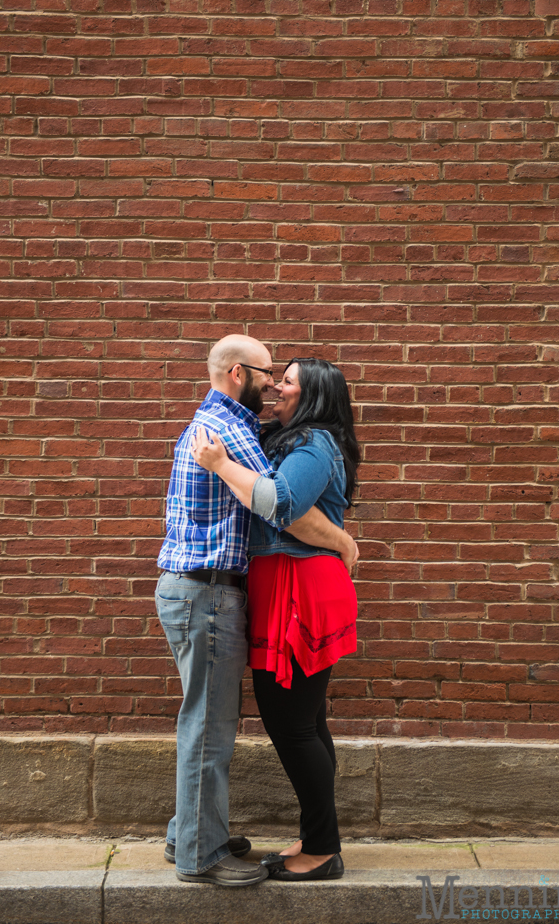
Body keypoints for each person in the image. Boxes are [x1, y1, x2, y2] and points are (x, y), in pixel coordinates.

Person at [155, 336, 358, 888]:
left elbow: (283, 506)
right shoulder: (238, 432)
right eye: (273, 375)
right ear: (241, 373)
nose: (275, 387)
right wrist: (342, 541)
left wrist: (339, 541)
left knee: (290, 722)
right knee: (234, 723)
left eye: (286, 380)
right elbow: (280, 505)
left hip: (284, 587)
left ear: (312, 395)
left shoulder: (291, 439)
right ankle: (201, 843)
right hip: (219, 589)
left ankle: (312, 844)